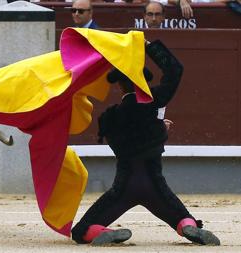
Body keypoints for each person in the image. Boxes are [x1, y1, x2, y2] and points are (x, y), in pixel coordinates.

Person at [71, 39, 221, 246]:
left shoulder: (108, 117)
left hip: (124, 187)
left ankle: (99, 231)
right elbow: (175, 70)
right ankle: (188, 226)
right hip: (155, 186)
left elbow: (124, 142)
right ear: (143, 81)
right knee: (180, 217)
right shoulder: (153, 103)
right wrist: (150, 46)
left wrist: (158, 129)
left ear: (119, 85)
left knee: (80, 231)